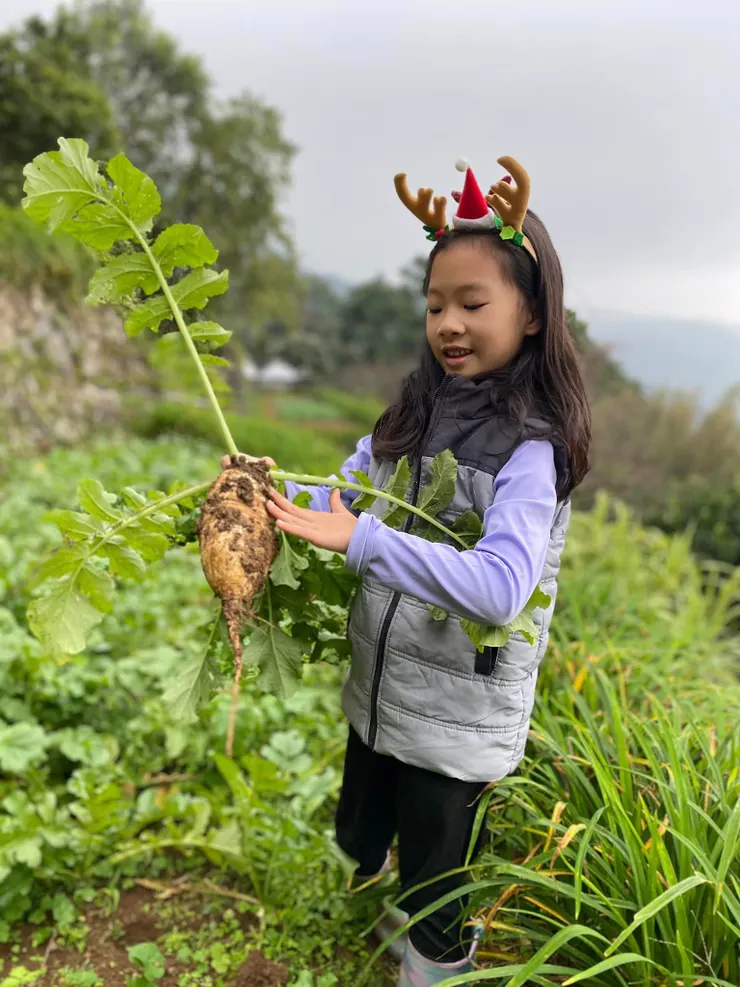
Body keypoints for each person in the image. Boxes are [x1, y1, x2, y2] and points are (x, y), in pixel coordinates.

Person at [226, 157, 590, 985]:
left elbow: (500, 585)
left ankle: (434, 964)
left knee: (438, 875)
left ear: (534, 313)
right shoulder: (413, 415)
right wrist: (260, 492)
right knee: (368, 818)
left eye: (472, 304)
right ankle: (381, 907)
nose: (448, 324)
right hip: (382, 690)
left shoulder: (531, 451)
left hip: (459, 721)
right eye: (435, 305)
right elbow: (344, 495)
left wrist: (363, 540)